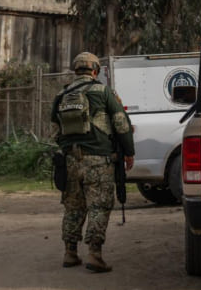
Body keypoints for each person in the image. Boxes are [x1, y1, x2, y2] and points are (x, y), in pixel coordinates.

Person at [51, 51, 135, 273]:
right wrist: (129, 152)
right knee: (99, 206)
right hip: (99, 161)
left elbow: (55, 126)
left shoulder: (61, 95)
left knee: (73, 207)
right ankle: (95, 255)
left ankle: (70, 252)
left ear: (75, 70)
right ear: (95, 71)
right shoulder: (103, 92)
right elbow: (121, 124)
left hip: (70, 161)